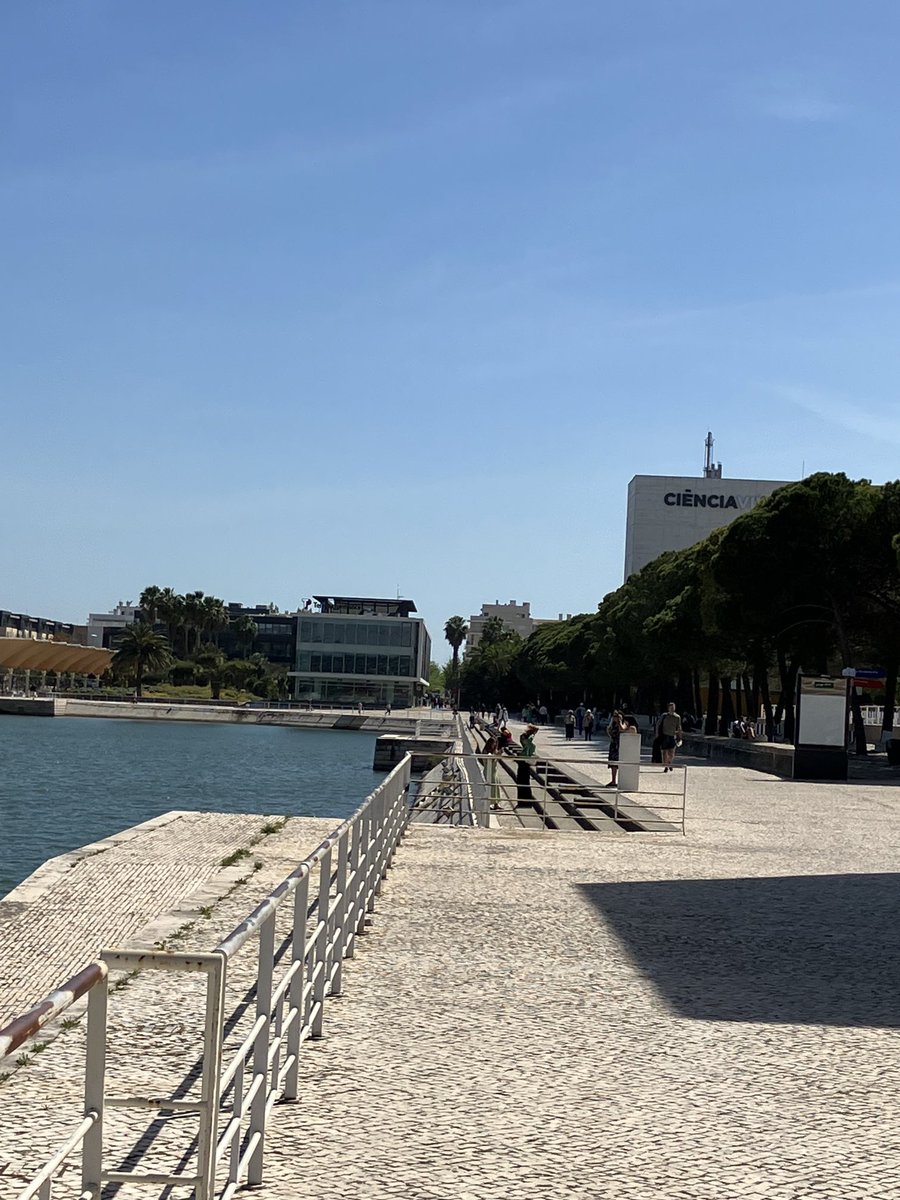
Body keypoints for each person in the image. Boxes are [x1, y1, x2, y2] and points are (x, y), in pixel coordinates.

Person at [656, 702, 683, 772]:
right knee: (665, 752)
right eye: (671, 707)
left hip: (672, 736)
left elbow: (679, 727)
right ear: (668, 708)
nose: (672, 709)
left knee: (672, 752)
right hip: (664, 736)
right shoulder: (664, 716)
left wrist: (680, 737)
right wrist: (657, 734)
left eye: (673, 707)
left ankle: (669, 763)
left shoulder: (677, 717)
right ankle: (666, 766)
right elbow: (658, 724)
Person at [516, 723, 538, 802]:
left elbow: (524, 740)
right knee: (524, 780)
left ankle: (523, 800)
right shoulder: (529, 741)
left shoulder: (523, 739)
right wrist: (533, 734)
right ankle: (525, 800)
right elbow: (529, 740)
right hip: (525, 761)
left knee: (522, 780)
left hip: (523, 761)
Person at [606, 710, 627, 786]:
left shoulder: (624, 723)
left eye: (617, 716)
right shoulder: (613, 724)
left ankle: (622, 781)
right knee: (613, 764)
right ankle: (613, 780)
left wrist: (619, 722)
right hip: (613, 745)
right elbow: (610, 734)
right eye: (615, 716)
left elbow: (622, 729)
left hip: (620, 745)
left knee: (620, 763)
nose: (616, 718)